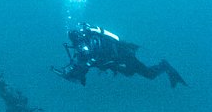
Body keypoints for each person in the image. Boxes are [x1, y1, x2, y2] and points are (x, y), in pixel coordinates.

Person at [54, 23, 187, 87]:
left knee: (149, 74)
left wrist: (77, 71)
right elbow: (87, 61)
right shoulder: (88, 41)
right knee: (129, 72)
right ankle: (164, 67)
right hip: (118, 58)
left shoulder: (90, 44)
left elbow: (90, 60)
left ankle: (164, 65)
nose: (76, 44)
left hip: (124, 55)